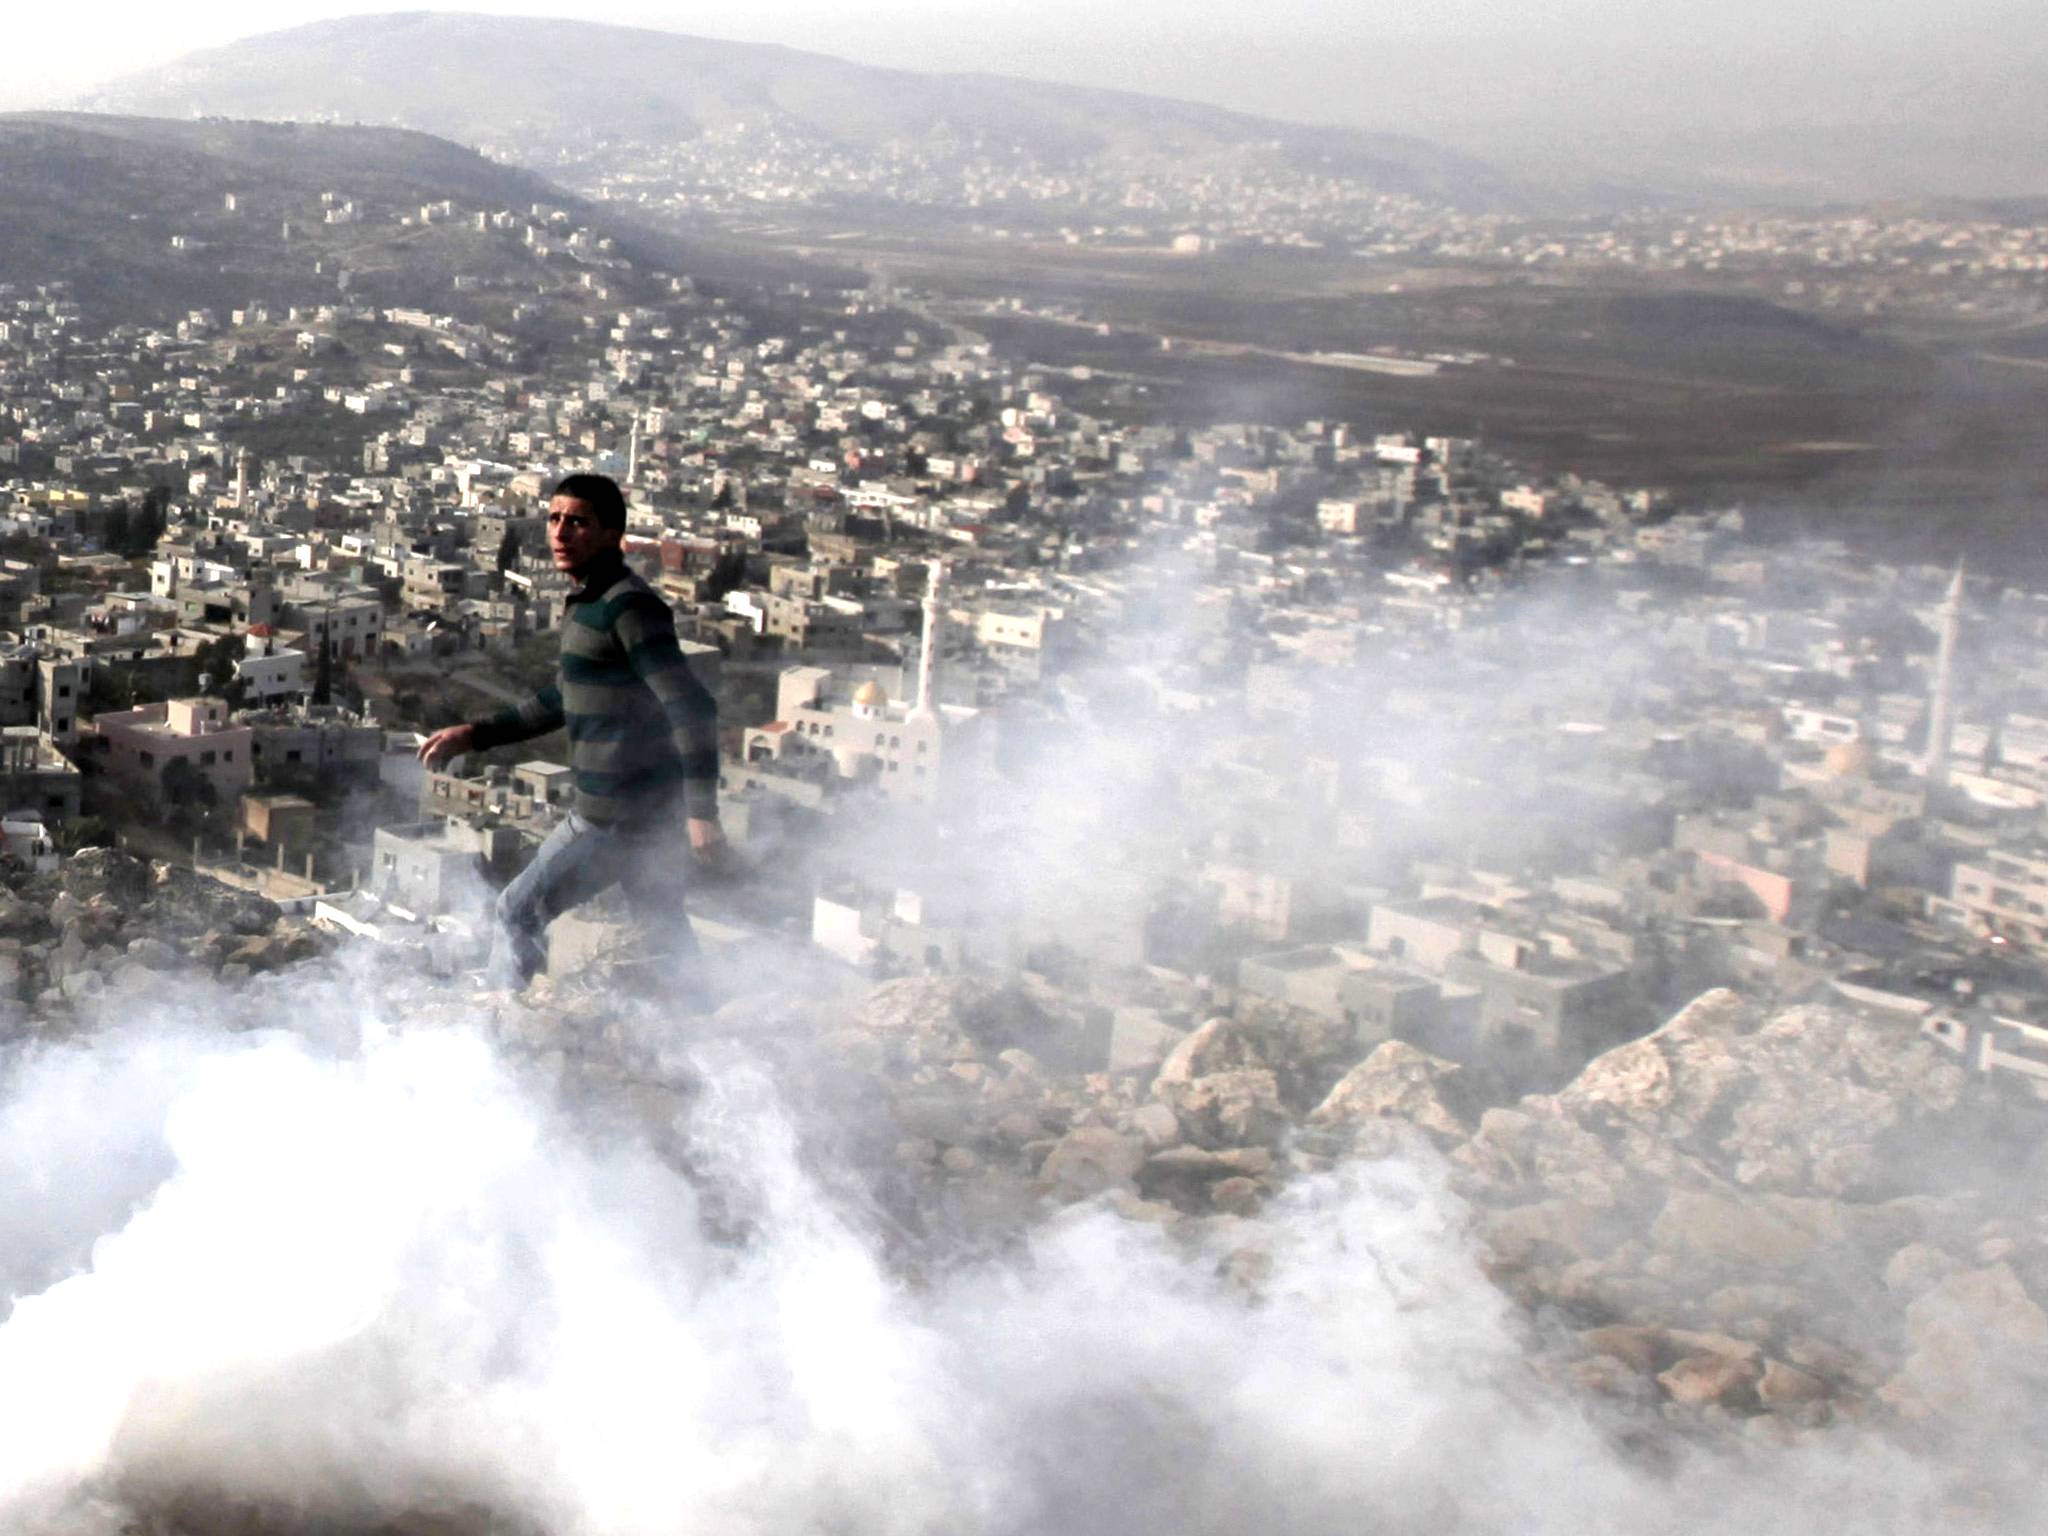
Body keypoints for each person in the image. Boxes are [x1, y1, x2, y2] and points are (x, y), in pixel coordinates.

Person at [417, 472, 722, 998]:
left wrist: (702, 813)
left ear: (611, 533)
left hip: (613, 817)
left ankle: (500, 1029)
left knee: (517, 909)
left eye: (578, 522)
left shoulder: (630, 608)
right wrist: (474, 734)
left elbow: (690, 705)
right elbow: (563, 698)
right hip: (641, 815)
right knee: (663, 930)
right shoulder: (587, 605)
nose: (561, 532)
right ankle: (710, 1025)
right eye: (555, 519)